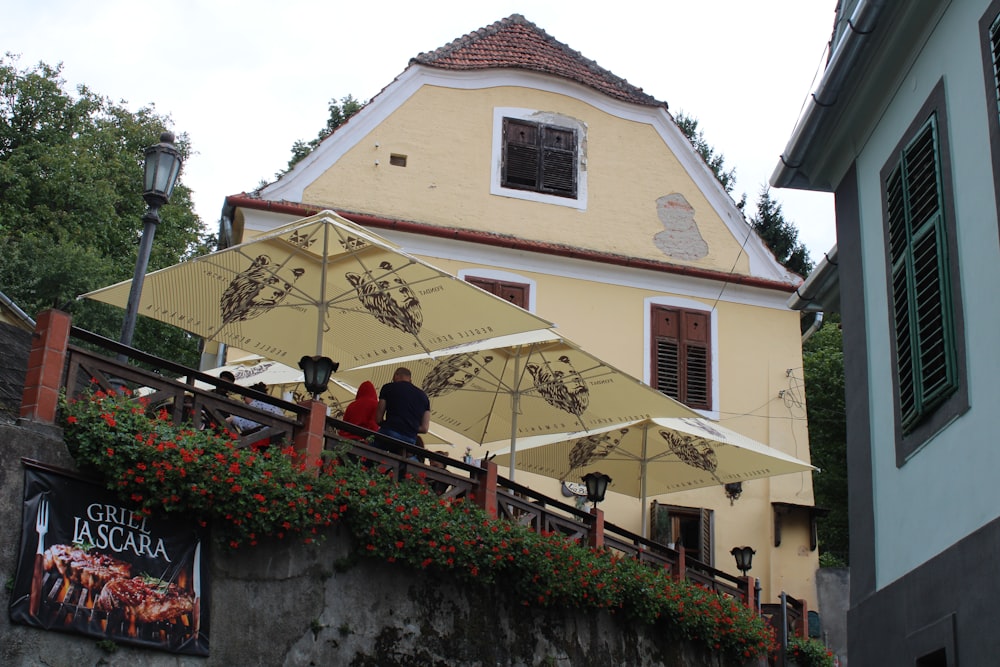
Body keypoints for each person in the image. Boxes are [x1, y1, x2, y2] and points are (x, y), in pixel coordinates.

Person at [375, 367, 430, 451]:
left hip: (389, 431)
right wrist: (410, 427)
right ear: (410, 379)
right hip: (410, 440)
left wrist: (388, 424)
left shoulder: (388, 387)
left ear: (396, 375)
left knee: (367, 453)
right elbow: (424, 428)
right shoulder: (424, 397)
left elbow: (378, 419)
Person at [226, 382, 284, 449]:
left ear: (250, 395)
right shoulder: (271, 405)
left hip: (264, 441)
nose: (244, 401)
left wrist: (233, 419)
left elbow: (248, 425)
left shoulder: (256, 404)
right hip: (277, 440)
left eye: (244, 397)